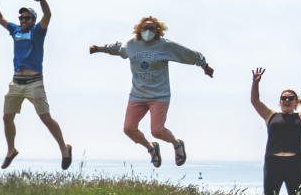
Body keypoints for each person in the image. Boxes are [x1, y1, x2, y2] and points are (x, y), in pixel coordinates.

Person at [90, 16, 214, 167]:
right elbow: (116, 48)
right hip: (137, 95)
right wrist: (98, 49)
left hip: (159, 96)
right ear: (139, 30)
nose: (148, 31)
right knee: (129, 129)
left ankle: (177, 144)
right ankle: (151, 148)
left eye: (151, 28)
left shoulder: (165, 46)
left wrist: (204, 65)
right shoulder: (131, 44)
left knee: (157, 131)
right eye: (145, 28)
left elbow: (188, 53)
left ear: (157, 31)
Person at [0, 0, 71, 170]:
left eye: (27, 18)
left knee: (46, 118)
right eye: (21, 18)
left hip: (34, 83)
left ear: (33, 20)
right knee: (7, 118)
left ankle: (64, 149)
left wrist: (42, 1)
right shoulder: (15, 30)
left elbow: (48, 16)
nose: (23, 20)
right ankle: (11, 150)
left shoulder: (38, 31)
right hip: (16, 83)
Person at [249, 67, 301, 195]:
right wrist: (255, 83)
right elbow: (255, 100)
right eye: (284, 98)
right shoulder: (271, 115)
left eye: (290, 98)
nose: (287, 100)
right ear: (280, 101)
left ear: (296, 102)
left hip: (295, 163)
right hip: (273, 163)